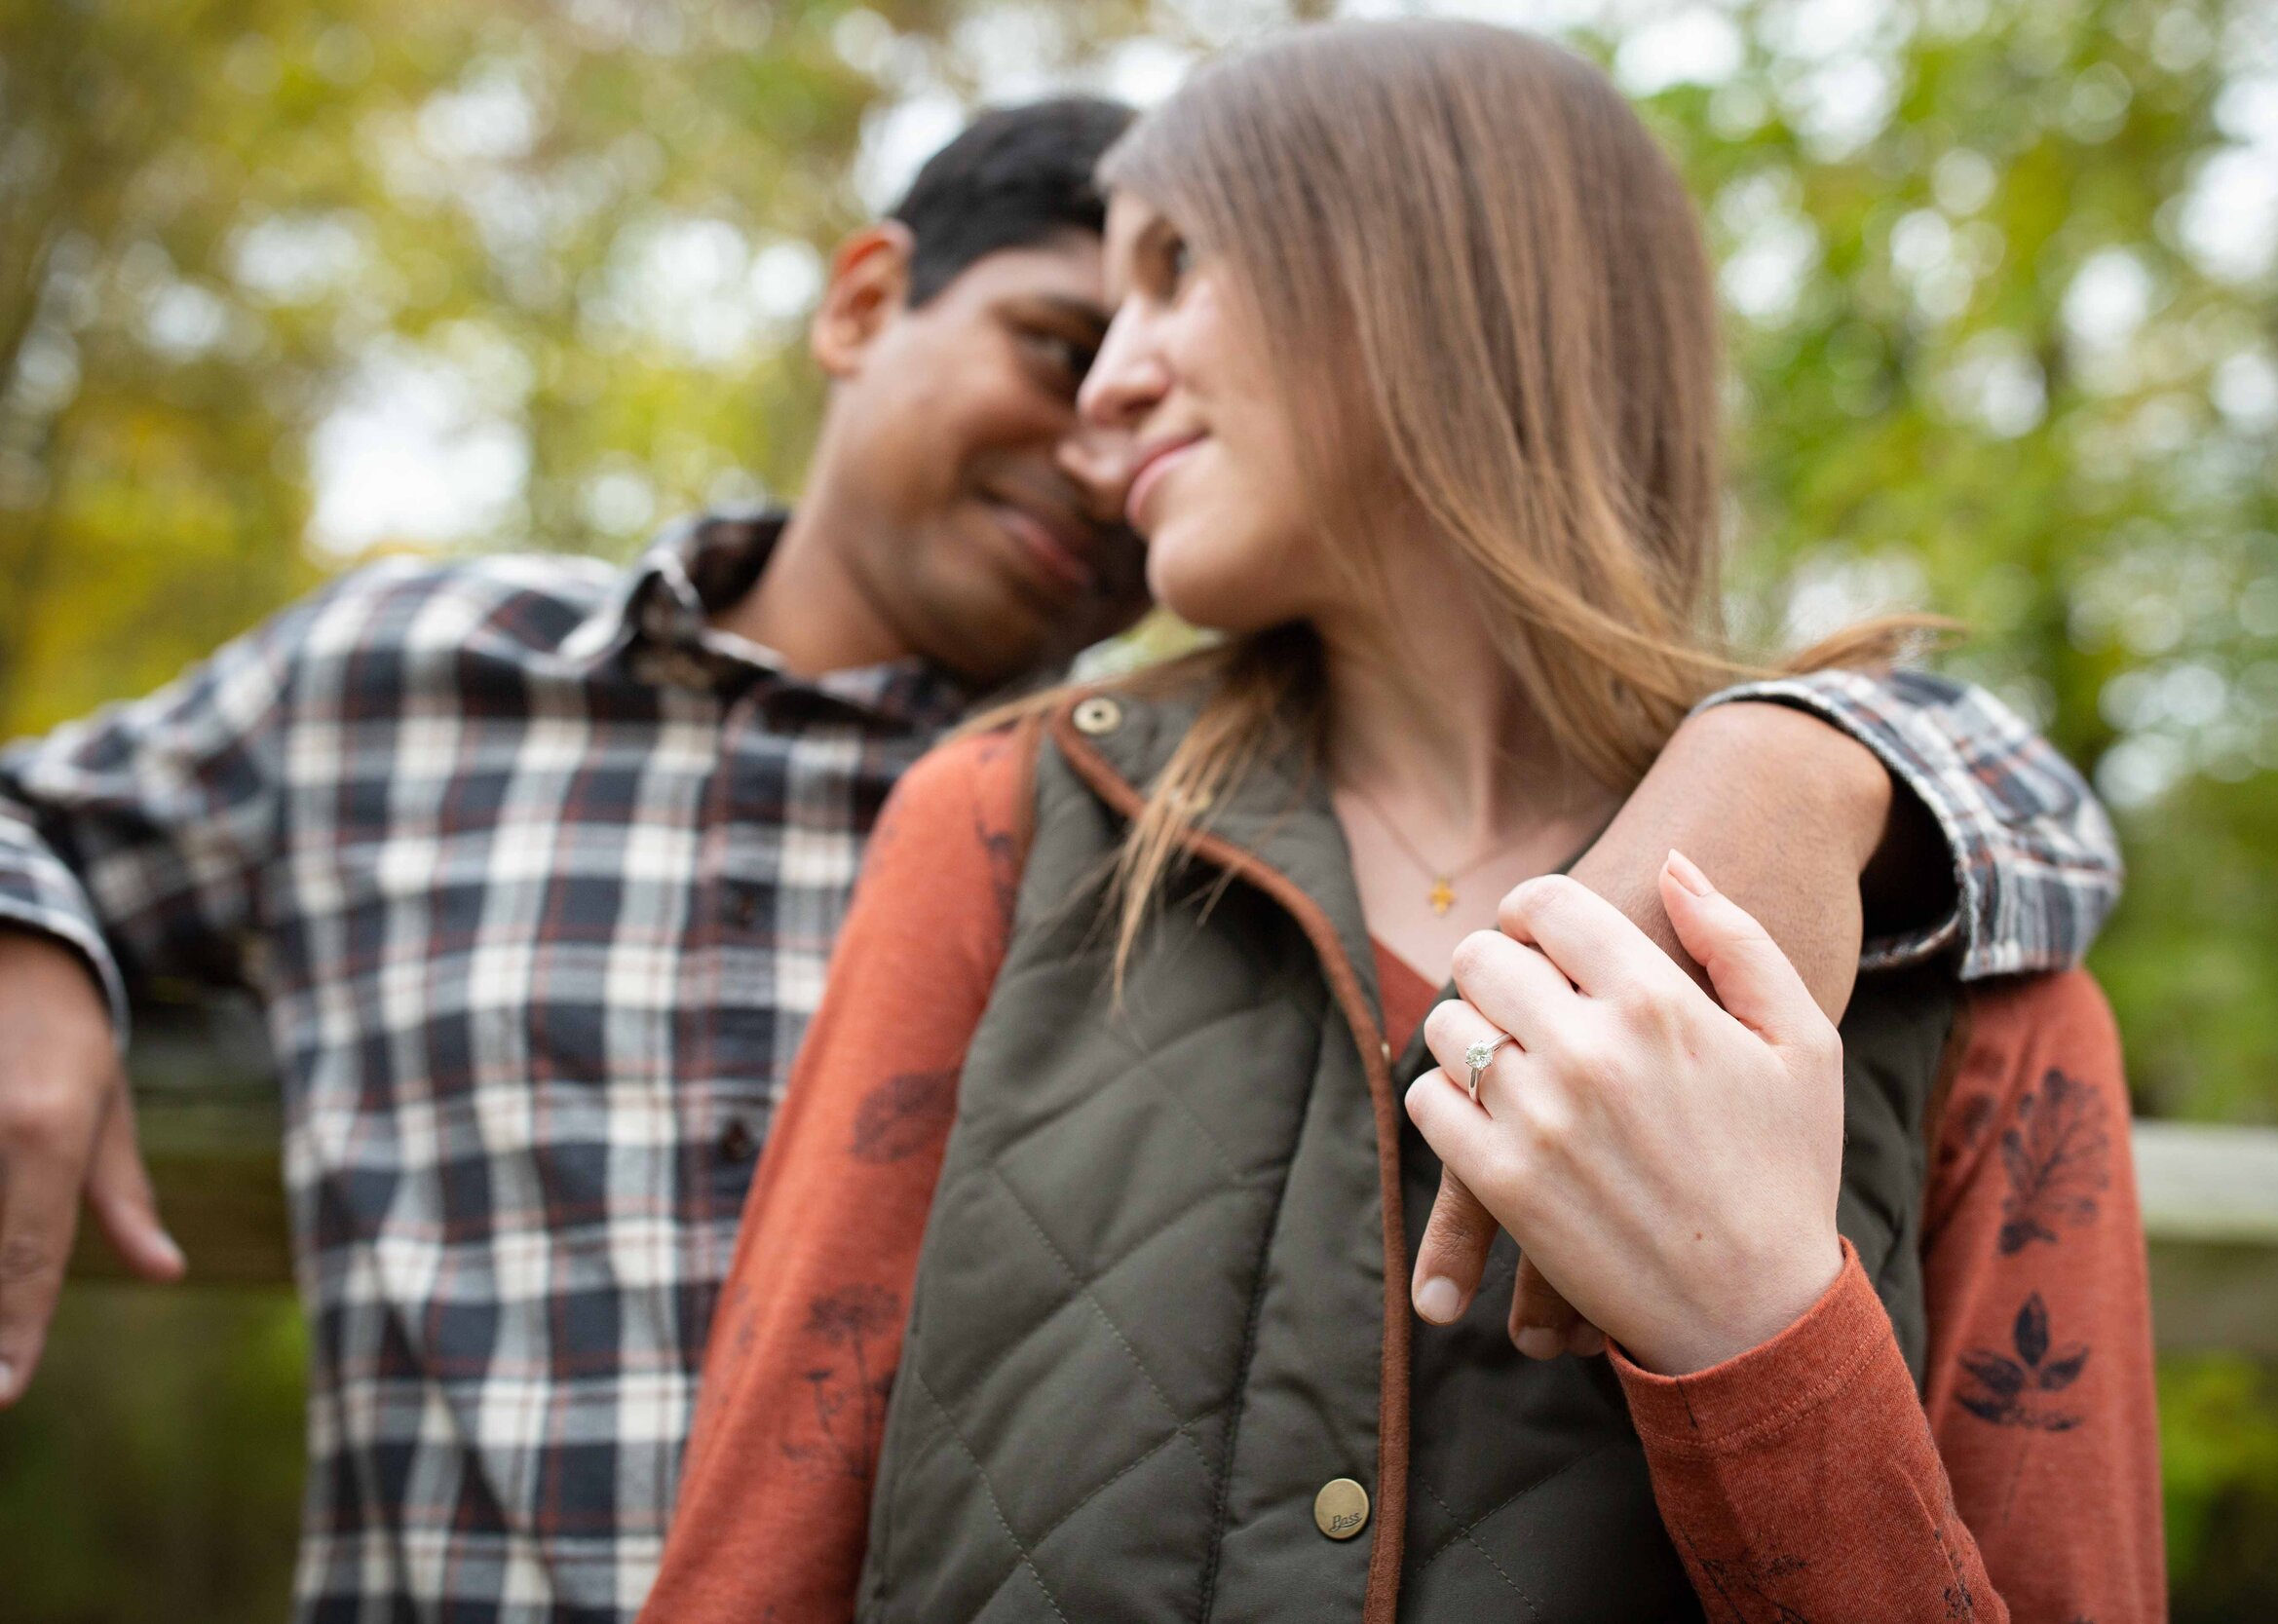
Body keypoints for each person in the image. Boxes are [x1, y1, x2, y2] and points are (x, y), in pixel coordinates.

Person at [0, 93, 2120, 1624]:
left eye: (1171, 298)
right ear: (859, 306)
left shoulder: (1896, 861)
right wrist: (31, 952)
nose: (1105, 418)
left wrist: (1819, 752)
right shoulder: (471, 691)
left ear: (1418, 291)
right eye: (1058, 332)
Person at [640, 22, 2161, 1624]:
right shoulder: (1003, 826)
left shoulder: (1955, 954)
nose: (1108, 383)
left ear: (1427, 268)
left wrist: (1754, 1323)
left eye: (1174, 270)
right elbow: (751, 1567)